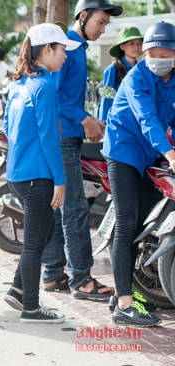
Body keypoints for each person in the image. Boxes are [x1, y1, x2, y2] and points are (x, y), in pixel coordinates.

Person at [3, 23, 79, 323]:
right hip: (38, 175)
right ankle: (31, 308)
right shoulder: (45, 87)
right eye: (61, 50)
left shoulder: (20, 84)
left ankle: (18, 289)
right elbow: (49, 138)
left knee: (44, 231)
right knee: (35, 243)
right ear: (47, 49)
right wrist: (60, 181)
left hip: (18, 173)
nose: (64, 57)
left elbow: (9, 128)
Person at [45, 0, 122, 300]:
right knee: (75, 207)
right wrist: (84, 118)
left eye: (105, 24)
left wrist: (90, 117)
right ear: (83, 15)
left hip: (66, 135)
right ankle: (82, 280)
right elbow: (52, 93)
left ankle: (53, 274)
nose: (103, 29)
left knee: (58, 206)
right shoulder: (67, 46)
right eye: (100, 22)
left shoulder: (77, 47)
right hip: (63, 137)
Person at [102, 21, 175, 327]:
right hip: (123, 152)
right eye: (151, 52)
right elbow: (147, 119)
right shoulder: (136, 78)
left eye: (164, 52)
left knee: (139, 225)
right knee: (126, 223)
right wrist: (170, 153)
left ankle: (122, 290)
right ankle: (123, 305)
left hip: (150, 156)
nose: (157, 57)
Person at [98, 26, 143, 122]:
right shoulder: (112, 70)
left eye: (139, 43)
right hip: (118, 122)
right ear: (122, 46)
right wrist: (104, 123)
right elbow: (106, 99)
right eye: (132, 43)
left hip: (137, 122)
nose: (136, 47)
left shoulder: (142, 70)